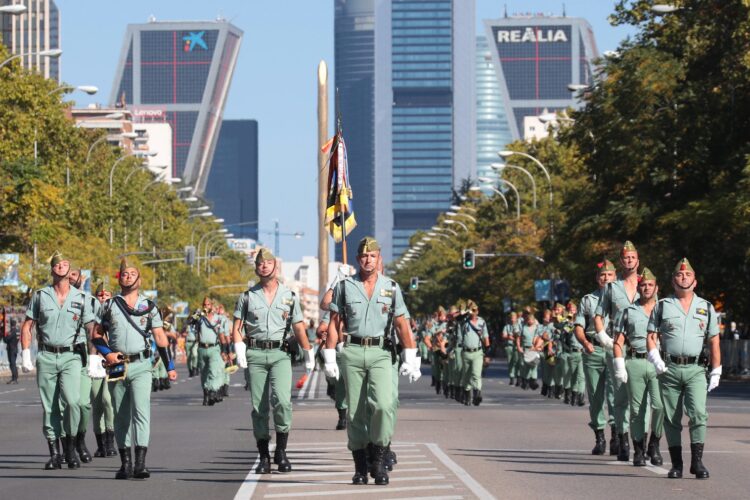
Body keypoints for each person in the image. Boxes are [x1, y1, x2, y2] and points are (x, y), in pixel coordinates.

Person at [323, 236, 420, 486]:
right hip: (353, 351)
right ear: (358, 259)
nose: (368, 260)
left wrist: (410, 354)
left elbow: (401, 323)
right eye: (364, 256)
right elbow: (334, 323)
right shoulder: (345, 287)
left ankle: (378, 457)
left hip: (381, 353)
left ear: (379, 259)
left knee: (384, 405)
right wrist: (330, 355)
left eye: (373, 256)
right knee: (355, 412)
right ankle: (360, 467)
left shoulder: (392, 287)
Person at [92, 259, 177, 480]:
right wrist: (107, 353)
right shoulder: (109, 305)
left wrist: (169, 366)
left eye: (132, 273)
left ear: (139, 279)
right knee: (120, 416)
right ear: (119, 279)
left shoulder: (149, 307)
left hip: (141, 365)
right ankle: (125, 463)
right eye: (124, 274)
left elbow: (160, 337)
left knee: (141, 412)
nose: (128, 276)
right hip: (117, 366)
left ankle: (140, 464)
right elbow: (97, 335)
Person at [232, 248, 314, 474]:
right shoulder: (247, 297)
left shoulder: (289, 296)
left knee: (282, 401)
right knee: (259, 407)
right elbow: (237, 328)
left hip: (280, 354)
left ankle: (282, 450)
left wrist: (308, 352)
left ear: (275, 266)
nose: (264, 266)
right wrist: (239, 348)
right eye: (260, 264)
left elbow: (298, 326)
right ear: (256, 268)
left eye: (268, 263)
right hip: (256, 354)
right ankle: (263, 456)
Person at [20, 251, 96, 470]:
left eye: (65, 264)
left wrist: (94, 358)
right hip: (46, 355)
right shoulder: (40, 295)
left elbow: (91, 329)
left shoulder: (81, 298)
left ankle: (71, 447)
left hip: (71, 355)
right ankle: (55, 453)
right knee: (50, 407)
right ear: (52, 269)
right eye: (57, 264)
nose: (61, 267)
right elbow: (27, 325)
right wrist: (26, 354)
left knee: (73, 402)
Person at [646, 258, 721, 479]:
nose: (683, 278)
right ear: (673, 280)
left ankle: (697, 463)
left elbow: (714, 340)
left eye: (688, 275)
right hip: (669, 368)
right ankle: (677, 464)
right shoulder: (661, 306)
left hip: (696, 369)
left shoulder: (706, 307)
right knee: (671, 417)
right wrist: (654, 356)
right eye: (679, 275)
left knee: (698, 413)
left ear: (695, 281)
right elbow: (651, 336)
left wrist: (717, 370)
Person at [612, 267, 664, 467]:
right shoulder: (628, 312)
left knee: (659, 406)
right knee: (637, 410)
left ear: (656, 287)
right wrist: (620, 365)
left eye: (650, 285)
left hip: (658, 364)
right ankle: (639, 450)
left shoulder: (664, 310)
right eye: (643, 285)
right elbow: (619, 341)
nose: (647, 288)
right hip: (635, 361)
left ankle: (655, 443)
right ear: (639, 288)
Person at [594, 241, 640, 462]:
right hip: (619, 350)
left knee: (645, 400)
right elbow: (598, 314)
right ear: (621, 262)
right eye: (626, 258)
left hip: (643, 350)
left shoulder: (647, 285)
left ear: (637, 260)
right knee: (619, 398)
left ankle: (646, 442)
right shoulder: (613, 288)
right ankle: (623, 440)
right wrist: (602, 334)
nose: (629, 261)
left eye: (632, 257)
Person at [574, 260, 618, 455]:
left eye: (609, 275)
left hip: (615, 349)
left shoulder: (624, 298)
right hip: (594, 349)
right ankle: (599, 436)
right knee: (595, 395)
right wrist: (585, 343)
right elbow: (578, 326)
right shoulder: (588, 300)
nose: (606, 278)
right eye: (602, 275)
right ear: (597, 278)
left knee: (616, 395)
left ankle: (617, 434)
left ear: (615, 277)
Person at [90, 283, 117, 458]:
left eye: (106, 294)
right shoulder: (89, 315)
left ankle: (110, 441)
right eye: (100, 295)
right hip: (94, 360)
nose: (103, 297)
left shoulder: (116, 313)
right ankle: (100, 444)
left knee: (108, 400)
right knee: (97, 403)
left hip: (112, 360)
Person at [191, 297, 227, 406]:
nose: (206, 306)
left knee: (213, 371)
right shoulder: (200, 318)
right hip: (202, 348)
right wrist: (197, 314)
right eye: (204, 305)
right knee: (204, 372)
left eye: (208, 304)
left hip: (214, 348)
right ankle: (206, 393)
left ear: (211, 305)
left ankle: (212, 392)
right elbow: (190, 322)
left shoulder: (218, 319)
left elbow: (221, 335)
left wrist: (224, 350)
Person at [460, 300, 490, 406]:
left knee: (476, 374)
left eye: (475, 310)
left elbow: (486, 337)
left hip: (477, 352)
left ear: (478, 311)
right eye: (471, 310)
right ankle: (467, 395)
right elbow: (453, 317)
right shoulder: (463, 321)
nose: (473, 312)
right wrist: (465, 312)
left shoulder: (482, 322)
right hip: (466, 352)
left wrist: (488, 354)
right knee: (467, 375)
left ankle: (477, 395)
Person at [517, 308, 542, 390]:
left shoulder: (537, 327)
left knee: (534, 365)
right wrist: (519, 347)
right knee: (526, 366)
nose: (530, 321)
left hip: (534, 349)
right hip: (526, 349)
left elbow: (539, 337)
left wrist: (537, 346)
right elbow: (518, 338)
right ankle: (526, 381)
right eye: (529, 320)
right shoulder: (523, 327)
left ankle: (533, 381)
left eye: (532, 320)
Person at [501, 312, 519, 386]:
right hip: (509, 346)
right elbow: (503, 335)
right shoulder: (507, 327)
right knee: (510, 362)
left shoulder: (519, 326)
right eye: (511, 317)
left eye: (513, 317)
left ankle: (518, 378)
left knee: (517, 362)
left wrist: (516, 338)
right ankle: (511, 378)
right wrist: (509, 337)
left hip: (517, 346)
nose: (512, 319)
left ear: (516, 318)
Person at [2, 307, 19, 384]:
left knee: (12, 364)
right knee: (13, 364)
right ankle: (14, 378)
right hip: (15, 348)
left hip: (11, 349)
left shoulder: (12, 332)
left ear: (11, 324)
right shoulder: (17, 331)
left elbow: (6, 340)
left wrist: (3, 335)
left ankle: (14, 379)